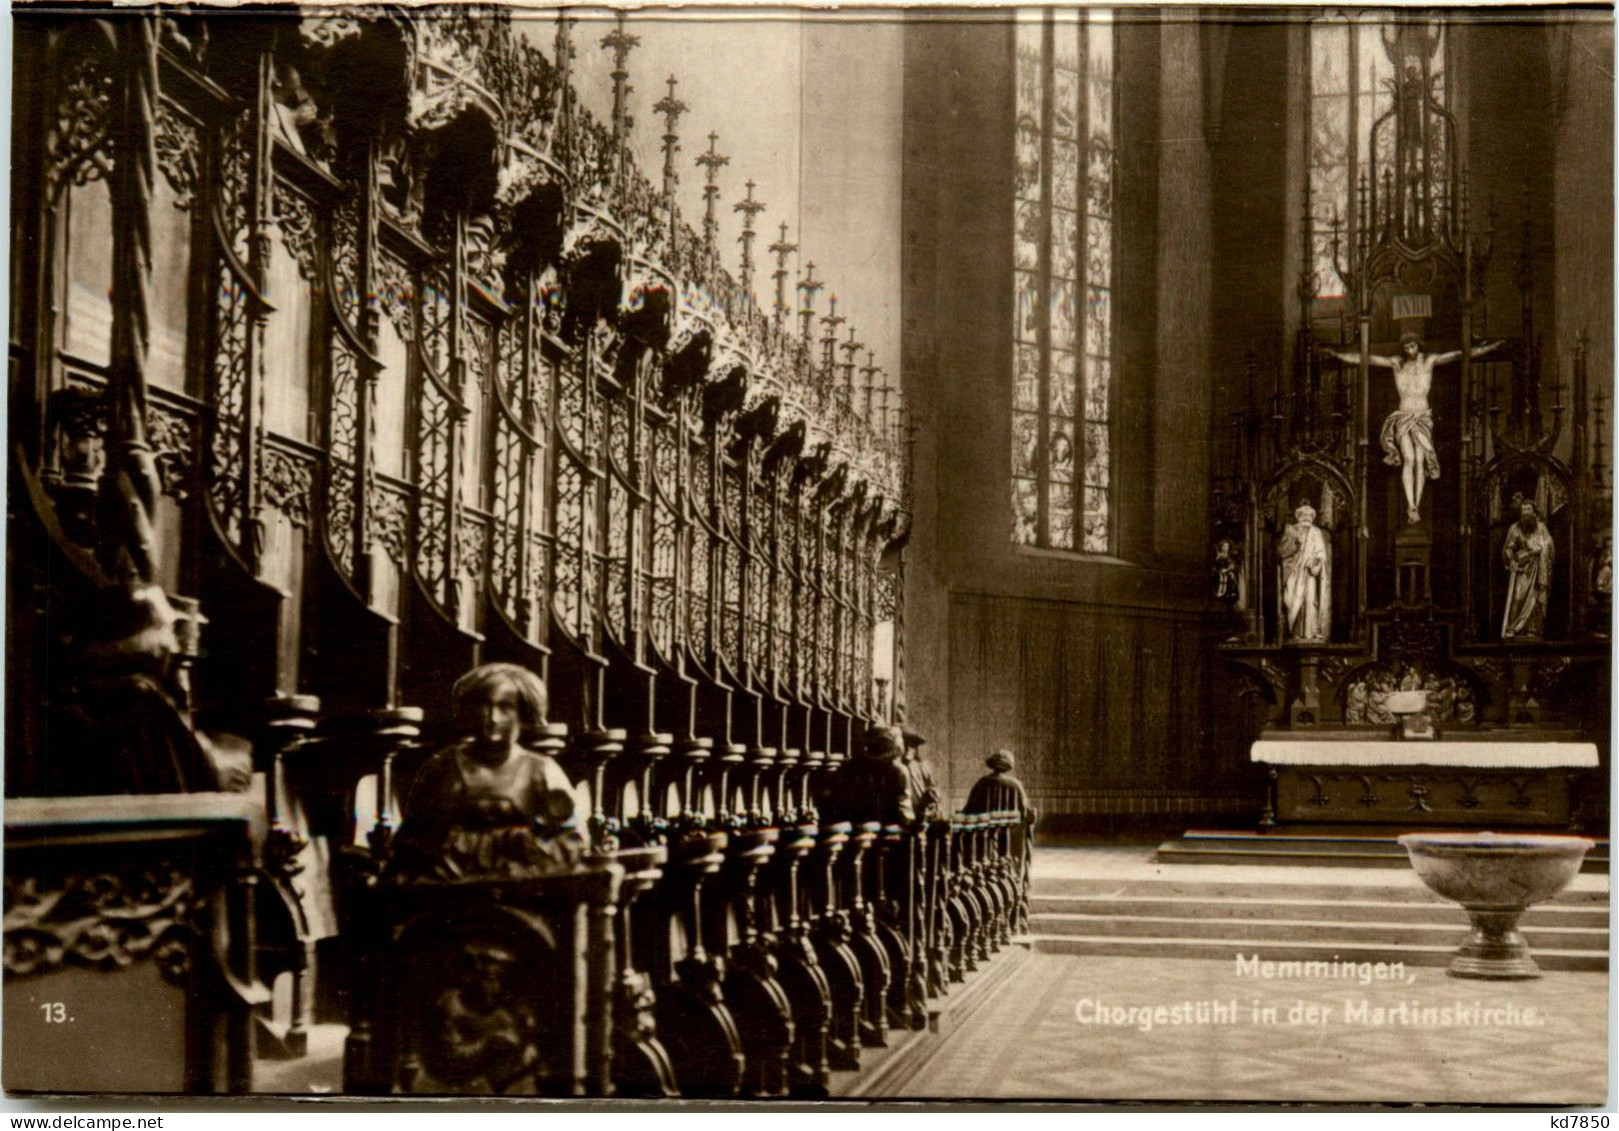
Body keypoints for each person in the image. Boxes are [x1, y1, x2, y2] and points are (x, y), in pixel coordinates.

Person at [392, 664, 582, 880]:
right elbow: (411, 844)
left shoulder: (542, 772)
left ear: (522, 713)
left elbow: (571, 844)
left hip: (524, 892)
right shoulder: (442, 768)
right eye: (484, 706)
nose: (493, 717)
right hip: (450, 893)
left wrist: (513, 844)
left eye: (505, 707)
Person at [1330, 334, 1504, 524]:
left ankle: (1416, 506)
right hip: (1404, 416)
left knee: (1420, 461)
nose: (1409, 350)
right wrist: (1337, 355)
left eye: (1412, 346)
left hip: (1422, 417)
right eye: (1406, 347)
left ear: (1418, 345)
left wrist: (1490, 348)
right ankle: (1410, 504)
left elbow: (1460, 355)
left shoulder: (1429, 361)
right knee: (1409, 459)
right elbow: (1365, 359)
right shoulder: (1397, 363)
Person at [1278, 502, 1331, 643]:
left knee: (1309, 602)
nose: (1307, 518)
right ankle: (1294, 633)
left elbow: (1321, 554)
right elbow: (1282, 552)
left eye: (1309, 515)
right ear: (1298, 516)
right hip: (1293, 573)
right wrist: (1295, 544)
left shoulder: (1316, 533)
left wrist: (1315, 564)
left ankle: (1310, 633)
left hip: (1309, 574)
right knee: (1292, 601)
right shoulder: (1291, 530)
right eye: (1304, 515)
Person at [1502, 500, 1554, 639]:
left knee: (1537, 599)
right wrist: (1512, 560)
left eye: (1528, 510)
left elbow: (1549, 544)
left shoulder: (1542, 528)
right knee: (1518, 598)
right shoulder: (1515, 528)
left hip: (1539, 568)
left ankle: (1534, 630)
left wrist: (1543, 549)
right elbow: (1508, 548)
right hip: (1523, 568)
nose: (1525, 513)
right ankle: (1514, 627)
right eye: (1523, 510)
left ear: (1534, 512)